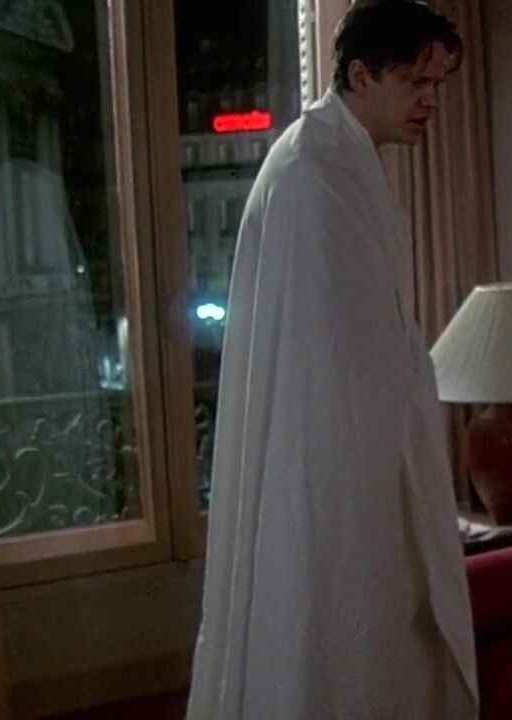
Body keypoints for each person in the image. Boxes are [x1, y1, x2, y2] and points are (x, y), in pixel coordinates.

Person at [187, 2, 477, 717]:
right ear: (361, 76)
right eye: (415, 83)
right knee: (334, 630)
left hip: (360, 441)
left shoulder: (342, 161)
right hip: (331, 452)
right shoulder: (310, 172)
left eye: (436, 85)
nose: (430, 102)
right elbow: (330, 354)